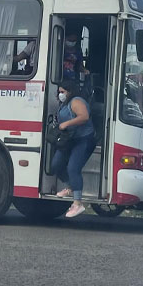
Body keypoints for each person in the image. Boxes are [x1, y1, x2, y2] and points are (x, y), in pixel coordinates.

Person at [52, 80, 97, 218]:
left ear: (70, 91)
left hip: (84, 139)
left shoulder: (76, 101)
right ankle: (70, 186)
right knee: (55, 165)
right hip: (70, 139)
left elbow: (84, 117)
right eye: (59, 92)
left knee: (73, 168)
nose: (60, 94)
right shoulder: (64, 104)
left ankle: (77, 203)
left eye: (62, 92)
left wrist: (66, 123)